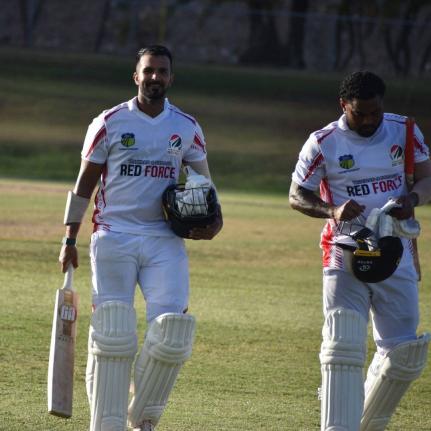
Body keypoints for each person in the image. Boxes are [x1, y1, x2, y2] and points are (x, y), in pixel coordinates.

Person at [58, 45, 223, 431]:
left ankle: (142, 416)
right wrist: (69, 239)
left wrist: (214, 221)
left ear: (170, 77)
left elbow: (204, 184)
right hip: (114, 235)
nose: (155, 78)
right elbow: (85, 184)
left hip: (164, 239)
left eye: (162, 72)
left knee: (173, 333)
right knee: (112, 333)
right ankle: (106, 422)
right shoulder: (110, 122)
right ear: (136, 76)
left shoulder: (185, 126)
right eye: (148, 71)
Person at [289, 71, 431, 431]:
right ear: (344, 106)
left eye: (374, 113)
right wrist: (332, 210)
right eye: (360, 114)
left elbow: (429, 177)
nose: (368, 120)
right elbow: (296, 195)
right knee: (343, 346)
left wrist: (413, 198)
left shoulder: (404, 130)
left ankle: (360, 422)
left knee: (402, 356)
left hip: (395, 250)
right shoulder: (323, 142)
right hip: (344, 252)